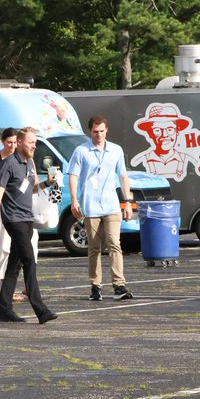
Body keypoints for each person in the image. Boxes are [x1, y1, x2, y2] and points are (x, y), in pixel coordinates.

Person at [0, 128, 58, 324]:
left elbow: (31, 188)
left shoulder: (30, 163)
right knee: (29, 260)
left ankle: (5, 310)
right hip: (13, 219)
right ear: (19, 143)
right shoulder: (9, 164)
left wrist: (46, 184)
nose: (34, 145)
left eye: (35, 142)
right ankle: (40, 309)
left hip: (27, 218)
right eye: (31, 142)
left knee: (15, 265)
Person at [67, 115, 135, 301]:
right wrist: (74, 200)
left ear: (107, 130)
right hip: (90, 205)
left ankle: (119, 285)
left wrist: (127, 202)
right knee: (94, 247)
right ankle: (95, 286)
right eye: (95, 132)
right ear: (90, 131)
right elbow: (73, 175)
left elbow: (122, 176)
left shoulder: (115, 150)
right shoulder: (81, 151)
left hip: (111, 204)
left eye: (102, 131)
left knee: (115, 243)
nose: (99, 135)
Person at [0, 127, 32, 300]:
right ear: (3, 142)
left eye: (15, 142)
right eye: (9, 142)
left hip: (23, 213)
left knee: (20, 255)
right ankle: (9, 289)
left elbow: (30, 185)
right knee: (4, 248)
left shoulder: (26, 160)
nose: (13, 145)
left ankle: (10, 297)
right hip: (4, 209)